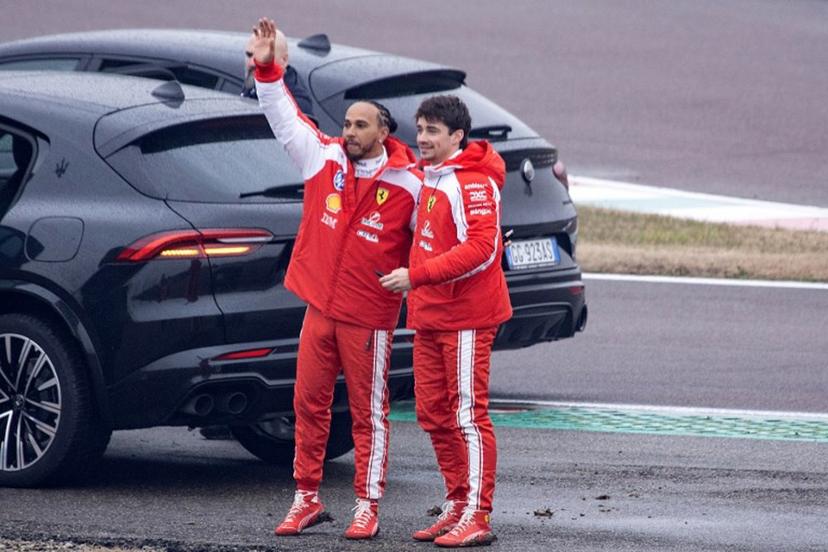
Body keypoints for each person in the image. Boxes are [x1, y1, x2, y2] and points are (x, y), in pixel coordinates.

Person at [249, 17, 423, 540]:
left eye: (360, 126)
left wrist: (417, 276)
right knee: (307, 404)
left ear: (384, 133)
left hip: (368, 319)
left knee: (369, 414)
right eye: (347, 123)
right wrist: (268, 69)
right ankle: (306, 497)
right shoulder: (323, 156)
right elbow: (282, 116)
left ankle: (367, 505)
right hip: (319, 310)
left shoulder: (411, 183)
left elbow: (437, 238)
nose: (349, 132)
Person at [380, 95, 511, 547]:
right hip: (431, 315)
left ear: (457, 136)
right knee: (432, 413)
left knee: (467, 415)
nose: (422, 138)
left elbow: (482, 250)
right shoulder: (430, 175)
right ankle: (457, 503)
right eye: (420, 129)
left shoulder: (472, 182)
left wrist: (416, 276)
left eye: (433, 131)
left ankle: (478, 513)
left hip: (467, 317)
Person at [242, 26, 315, 123]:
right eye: (249, 55)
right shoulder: (252, 83)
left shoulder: (295, 105)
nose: (252, 63)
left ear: (284, 60)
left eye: (264, 58)